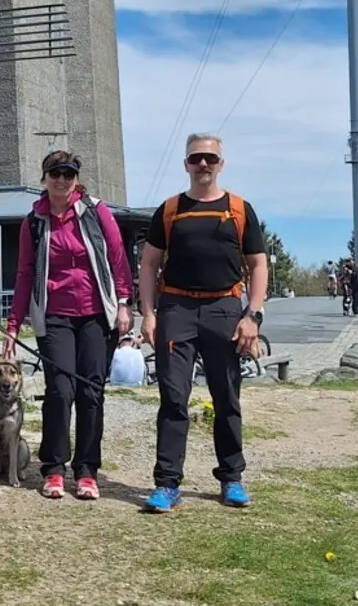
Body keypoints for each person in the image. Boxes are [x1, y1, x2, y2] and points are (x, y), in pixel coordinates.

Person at [137, 132, 267, 513]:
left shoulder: (239, 210)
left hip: (224, 308)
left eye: (210, 158)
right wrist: (149, 314)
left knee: (226, 395)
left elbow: (258, 265)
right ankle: (166, 484)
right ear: (186, 164)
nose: (203, 164)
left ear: (221, 164)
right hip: (176, 309)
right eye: (196, 158)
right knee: (173, 397)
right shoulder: (170, 210)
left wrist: (252, 315)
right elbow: (149, 264)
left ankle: (232, 478)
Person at [5, 150, 133, 501]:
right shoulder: (34, 221)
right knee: (60, 391)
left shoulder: (96, 211)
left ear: (76, 179)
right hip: (55, 315)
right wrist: (13, 324)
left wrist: (124, 302)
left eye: (68, 174)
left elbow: (117, 257)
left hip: (96, 314)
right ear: (44, 178)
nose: (62, 180)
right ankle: (54, 467)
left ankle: (87, 470)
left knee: (91, 392)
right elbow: (24, 273)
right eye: (55, 173)